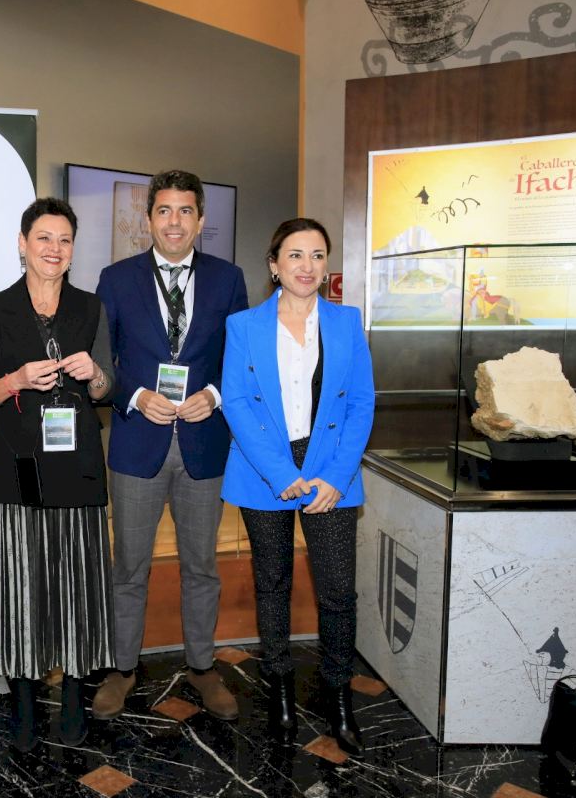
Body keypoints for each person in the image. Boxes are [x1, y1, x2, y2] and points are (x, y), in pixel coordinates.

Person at [93, 170, 248, 721]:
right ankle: (122, 667)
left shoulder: (229, 279)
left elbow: (241, 358)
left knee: (202, 566)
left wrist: (214, 394)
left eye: (185, 211)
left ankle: (202, 666)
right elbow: (102, 363)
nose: (174, 221)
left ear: (201, 221)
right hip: (139, 444)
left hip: (204, 444)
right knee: (129, 566)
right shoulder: (116, 279)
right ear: (149, 219)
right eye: (164, 210)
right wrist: (136, 396)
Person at [219, 218, 374, 754]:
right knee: (273, 583)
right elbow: (237, 403)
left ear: (326, 265)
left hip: (330, 467)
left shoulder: (347, 321)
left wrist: (337, 475)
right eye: (295, 255)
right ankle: (280, 689)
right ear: (274, 265)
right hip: (267, 466)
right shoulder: (244, 326)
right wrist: (282, 474)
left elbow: (361, 402)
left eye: (317, 255)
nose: (307, 266)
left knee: (338, 591)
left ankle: (339, 697)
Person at [0, 197, 115, 750]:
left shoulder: (90, 308)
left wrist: (94, 373)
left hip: (78, 466)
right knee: (23, 589)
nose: (54, 249)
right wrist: (17, 380)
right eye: (44, 238)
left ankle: (74, 699)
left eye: (64, 240)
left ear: (73, 249)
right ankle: (25, 705)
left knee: (79, 589)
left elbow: (108, 388)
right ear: (22, 243)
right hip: (20, 465)